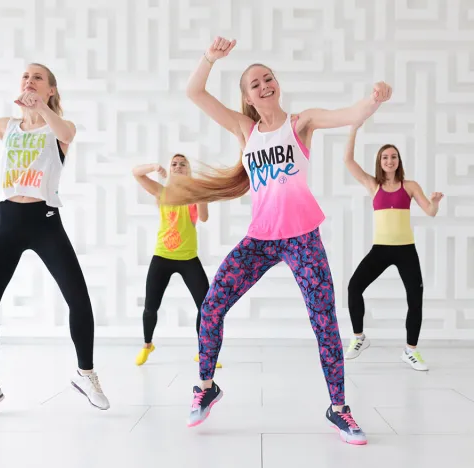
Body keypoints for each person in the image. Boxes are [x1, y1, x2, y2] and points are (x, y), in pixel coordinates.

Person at [160, 36, 392, 445]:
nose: (264, 85)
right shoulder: (243, 128)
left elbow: (347, 113)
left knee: (324, 323)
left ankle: (339, 409)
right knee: (213, 305)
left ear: (276, 84)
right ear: (248, 97)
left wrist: (373, 101)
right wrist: (209, 59)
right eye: (255, 83)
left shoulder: (300, 122)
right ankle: (206, 385)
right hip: (261, 239)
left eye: (268, 79)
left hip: (302, 238)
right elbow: (194, 92)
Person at [0, 55, 110, 420]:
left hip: (45, 220)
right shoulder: (7, 126)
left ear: (51, 89)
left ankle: (86, 375)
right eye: (25, 77)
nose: (29, 81)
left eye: (38, 78)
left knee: (78, 299)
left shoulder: (59, 128)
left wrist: (43, 108)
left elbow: (66, 134)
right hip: (8, 221)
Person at [343, 124, 443, 371]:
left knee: (415, 298)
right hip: (381, 249)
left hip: (405, 250)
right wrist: (354, 128)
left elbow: (429, 212)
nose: (389, 160)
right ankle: (359, 337)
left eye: (393, 156)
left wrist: (435, 202)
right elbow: (347, 160)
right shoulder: (372, 185)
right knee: (354, 287)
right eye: (385, 157)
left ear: (399, 161)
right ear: (380, 161)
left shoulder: (409, 186)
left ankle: (410, 351)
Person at [132, 154, 220, 368]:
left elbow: (205, 217)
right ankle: (147, 345)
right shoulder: (162, 192)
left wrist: (200, 193)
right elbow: (136, 173)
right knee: (150, 307)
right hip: (162, 256)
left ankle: (204, 351)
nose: (178, 166)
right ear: (170, 170)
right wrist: (154, 166)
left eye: (183, 164)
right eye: (174, 164)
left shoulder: (194, 195)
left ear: (188, 170)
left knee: (205, 306)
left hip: (188, 257)